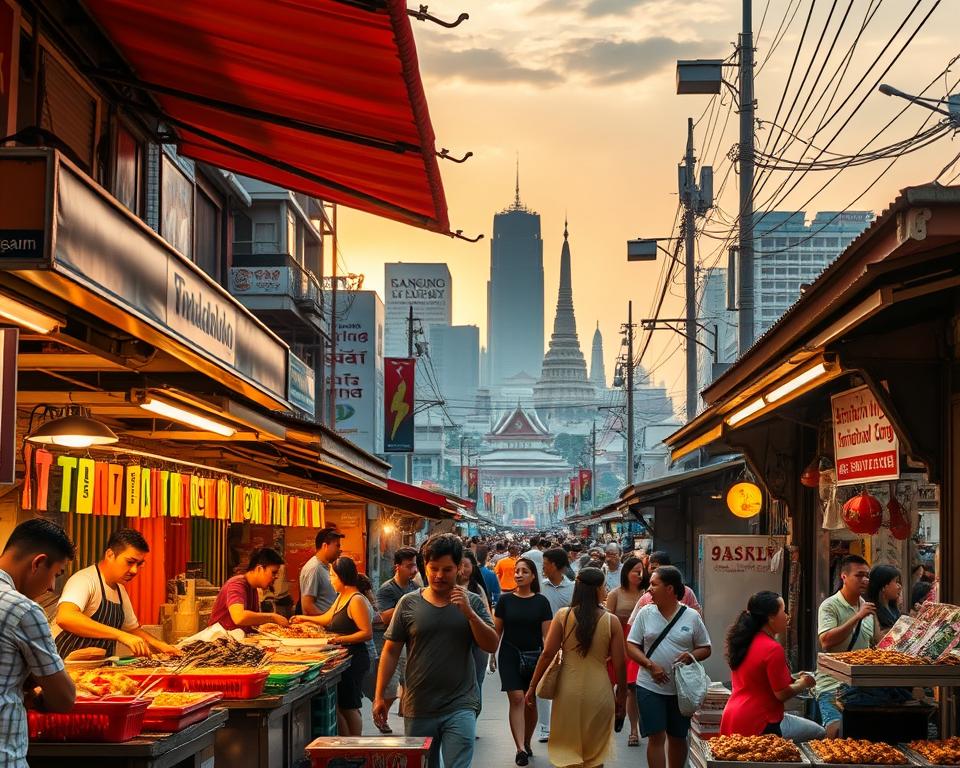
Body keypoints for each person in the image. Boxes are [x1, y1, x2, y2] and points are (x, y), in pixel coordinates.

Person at [374, 534, 498, 768]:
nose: (439, 576)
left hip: (461, 704)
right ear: (425, 567)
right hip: (419, 705)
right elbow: (390, 651)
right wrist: (380, 695)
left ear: (459, 568)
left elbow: (491, 645)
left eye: (447, 569)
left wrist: (470, 614)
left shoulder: (472, 602)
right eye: (434, 569)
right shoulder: (408, 603)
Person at [526, 567, 626, 768]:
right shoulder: (611, 621)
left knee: (568, 748)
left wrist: (532, 687)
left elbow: (547, 654)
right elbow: (620, 663)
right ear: (598, 589)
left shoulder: (563, 616)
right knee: (595, 753)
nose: (606, 590)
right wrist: (621, 696)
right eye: (604, 586)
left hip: (568, 690)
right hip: (600, 691)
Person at [0, 519, 78, 768]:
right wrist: (35, 698)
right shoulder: (22, 609)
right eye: (55, 574)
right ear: (37, 562)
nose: (52, 586)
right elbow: (64, 698)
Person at [627, 566, 712, 768]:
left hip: (680, 689)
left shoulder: (691, 616)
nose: (649, 589)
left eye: (654, 584)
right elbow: (631, 645)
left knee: (677, 736)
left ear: (670, 588)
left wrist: (691, 656)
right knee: (656, 737)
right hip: (649, 685)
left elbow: (706, 648)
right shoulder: (645, 613)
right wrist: (649, 665)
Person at [54, 527, 179, 657]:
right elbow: (65, 617)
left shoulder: (120, 590)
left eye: (139, 564)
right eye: (130, 562)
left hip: (99, 670)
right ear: (110, 555)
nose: (134, 570)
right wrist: (120, 635)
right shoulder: (84, 580)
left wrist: (162, 646)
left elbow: (132, 630)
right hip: (66, 666)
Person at [720, 591, 824, 740]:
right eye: (783, 611)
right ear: (771, 617)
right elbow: (781, 693)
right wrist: (804, 683)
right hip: (760, 721)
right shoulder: (772, 648)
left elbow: (759, 679)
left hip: (733, 716)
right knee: (819, 733)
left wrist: (793, 678)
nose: (787, 616)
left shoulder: (744, 641)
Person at [293, 557, 372, 735]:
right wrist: (303, 618)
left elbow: (366, 633)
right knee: (341, 706)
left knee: (349, 707)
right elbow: (327, 618)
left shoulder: (356, 599)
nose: (330, 579)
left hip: (354, 659)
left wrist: (339, 640)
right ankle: (346, 746)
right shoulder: (341, 598)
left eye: (332, 575)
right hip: (342, 658)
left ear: (341, 576)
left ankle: (354, 748)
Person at [493, 557, 553, 765]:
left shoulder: (542, 602)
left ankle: (527, 741)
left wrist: (550, 660)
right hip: (509, 655)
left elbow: (547, 636)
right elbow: (496, 632)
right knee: (517, 698)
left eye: (524, 571)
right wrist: (492, 655)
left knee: (530, 701)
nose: (518, 574)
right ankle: (519, 748)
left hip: (534, 657)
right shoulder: (505, 600)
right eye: (517, 571)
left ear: (533, 576)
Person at [814, 554, 875, 738]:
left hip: (861, 688)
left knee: (860, 741)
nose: (864, 580)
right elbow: (826, 640)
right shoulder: (830, 605)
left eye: (867, 575)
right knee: (836, 734)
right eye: (859, 575)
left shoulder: (867, 607)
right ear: (844, 577)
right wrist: (857, 617)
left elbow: (875, 642)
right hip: (833, 686)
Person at [534, 547, 576, 744]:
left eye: (545, 564)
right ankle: (545, 726)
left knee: (565, 685)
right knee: (544, 683)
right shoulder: (540, 587)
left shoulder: (573, 588)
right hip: (543, 641)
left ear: (555, 566)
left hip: (568, 643)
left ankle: (563, 724)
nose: (543, 568)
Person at [375, 546, 419, 728]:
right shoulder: (387, 590)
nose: (414, 570)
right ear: (397, 567)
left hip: (412, 644)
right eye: (409, 566)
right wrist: (407, 605)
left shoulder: (414, 587)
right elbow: (384, 616)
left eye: (415, 565)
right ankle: (380, 717)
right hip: (393, 644)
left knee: (410, 687)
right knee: (391, 690)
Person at [607, 554, 647, 747]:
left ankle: (633, 730)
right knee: (617, 684)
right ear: (626, 573)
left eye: (642, 570)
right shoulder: (615, 593)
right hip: (618, 641)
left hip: (639, 643)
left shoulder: (647, 593)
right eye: (635, 571)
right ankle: (618, 711)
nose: (639, 574)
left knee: (632, 687)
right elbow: (607, 621)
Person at [209, 547, 289, 632]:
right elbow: (239, 617)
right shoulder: (236, 584)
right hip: (220, 640)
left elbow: (251, 621)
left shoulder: (253, 588)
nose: (276, 577)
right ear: (259, 569)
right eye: (273, 572)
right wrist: (272, 617)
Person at [458, 550, 493, 711]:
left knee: (477, 682)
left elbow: (488, 619)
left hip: (477, 643)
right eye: (460, 565)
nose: (463, 570)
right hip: (456, 642)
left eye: (466, 565)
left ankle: (472, 716)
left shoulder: (477, 590)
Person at [628, 551, 702, 623]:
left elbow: (697, 618)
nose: (651, 570)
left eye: (654, 567)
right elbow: (632, 623)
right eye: (650, 567)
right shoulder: (646, 599)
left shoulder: (687, 593)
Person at [299, 527, 343, 615]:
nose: (339, 550)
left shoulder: (328, 566)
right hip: (321, 626)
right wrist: (327, 621)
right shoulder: (314, 568)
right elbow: (307, 606)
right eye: (337, 546)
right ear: (325, 546)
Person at [867, 564, 902, 641]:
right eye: (896, 582)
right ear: (883, 586)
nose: (899, 586)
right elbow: (878, 639)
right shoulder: (871, 611)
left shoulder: (893, 609)